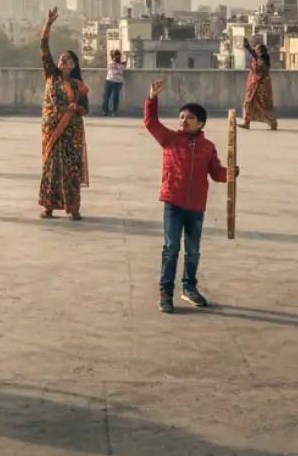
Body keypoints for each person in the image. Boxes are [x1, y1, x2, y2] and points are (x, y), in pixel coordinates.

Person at [144, 80, 236, 313]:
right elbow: (151, 122)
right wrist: (152, 98)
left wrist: (231, 173)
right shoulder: (170, 139)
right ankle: (166, 291)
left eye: (189, 117)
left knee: (193, 250)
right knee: (171, 247)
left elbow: (216, 174)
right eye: (181, 116)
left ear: (201, 123)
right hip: (173, 203)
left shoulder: (208, 147)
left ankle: (189, 288)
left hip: (196, 206)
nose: (183, 120)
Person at [38, 7, 90, 218]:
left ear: (74, 64)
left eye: (67, 58)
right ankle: (48, 207)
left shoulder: (79, 86)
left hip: (71, 132)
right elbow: (43, 48)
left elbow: (86, 108)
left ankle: (73, 209)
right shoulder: (51, 75)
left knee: (70, 170)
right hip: (52, 130)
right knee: (51, 169)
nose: (62, 60)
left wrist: (77, 108)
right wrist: (48, 23)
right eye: (61, 58)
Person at [241, 36, 277, 129]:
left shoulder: (263, 60)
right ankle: (246, 122)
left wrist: (247, 46)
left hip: (260, 86)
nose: (256, 52)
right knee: (249, 103)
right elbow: (252, 53)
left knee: (263, 104)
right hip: (254, 84)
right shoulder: (258, 57)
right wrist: (247, 46)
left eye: (258, 50)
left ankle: (272, 122)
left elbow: (263, 71)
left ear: (261, 52)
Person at [102, 49, 126, 116]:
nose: (117, 57)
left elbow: (121, 68)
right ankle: (105, 110)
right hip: (110, 80)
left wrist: (121, 63)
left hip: (117, 82)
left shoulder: (120, 64)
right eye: (116, 56)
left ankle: (114, 111)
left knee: (115, 97)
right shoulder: (111, 63)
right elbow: (116, 66)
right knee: (106, 96)